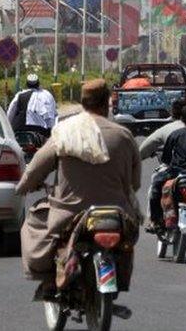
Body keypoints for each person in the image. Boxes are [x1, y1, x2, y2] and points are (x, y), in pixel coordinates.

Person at [16, 79, 142, 284]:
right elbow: (134, 184)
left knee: (33, 223)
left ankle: (48, 278)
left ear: (83, 103)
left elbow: (36, 168)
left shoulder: (65, 131)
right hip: (118, 213)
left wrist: (23, 187)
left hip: (68, 213)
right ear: (106, 104)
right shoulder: (124, 135)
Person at [7, 73, 57, 139]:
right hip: (41, 130)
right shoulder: (47, 95)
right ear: (38, 84)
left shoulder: (20, 95)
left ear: (26, 84)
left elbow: (10, 112)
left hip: (19, 129)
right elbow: (52, 114)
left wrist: (7, 127)